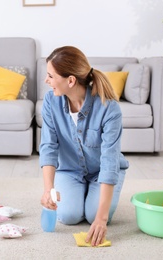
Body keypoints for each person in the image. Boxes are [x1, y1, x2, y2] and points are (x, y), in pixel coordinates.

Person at [39, 46, 129, 246]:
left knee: (92, 216)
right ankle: (81, 195)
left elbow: (109, 160)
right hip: (70, 169)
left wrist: (101, 219)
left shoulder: (109, 108)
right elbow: (48, 147)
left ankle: (95, 199)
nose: (47, 81)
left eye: (51, 76)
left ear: (70, 80)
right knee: (69, 216)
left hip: (102, 172)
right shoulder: (50, 102)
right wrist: (48, 190)